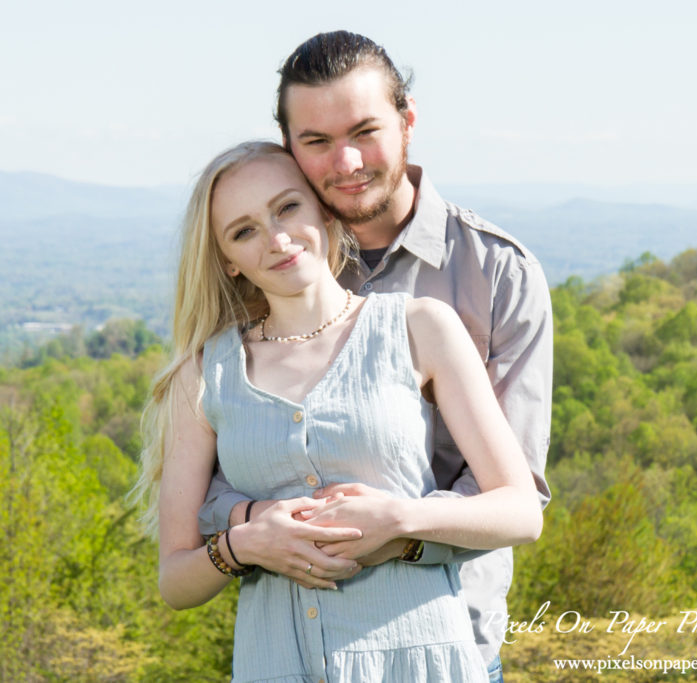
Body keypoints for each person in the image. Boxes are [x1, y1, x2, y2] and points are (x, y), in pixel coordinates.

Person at [198, 31, 554, 682]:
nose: (348, 160)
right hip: (292, 645)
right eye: (318, 142)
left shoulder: (496, 273)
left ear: (408, 121)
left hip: (449, 641)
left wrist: (396, 529)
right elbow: (214, 476)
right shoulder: (265, 274)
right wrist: (255, 523)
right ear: (290, 150)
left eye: (365, 130)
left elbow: (512, 490)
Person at [134, 140, 542, 682]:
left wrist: (401, 518)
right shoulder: (206, 372)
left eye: (287, 208)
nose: (277, 239)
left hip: (421, 662)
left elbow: (520, 511)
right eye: (244, 231)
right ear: (227, 262)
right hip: (275, 667)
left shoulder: (421, 327)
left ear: (323, 211)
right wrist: (244, 545)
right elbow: (175, 581)